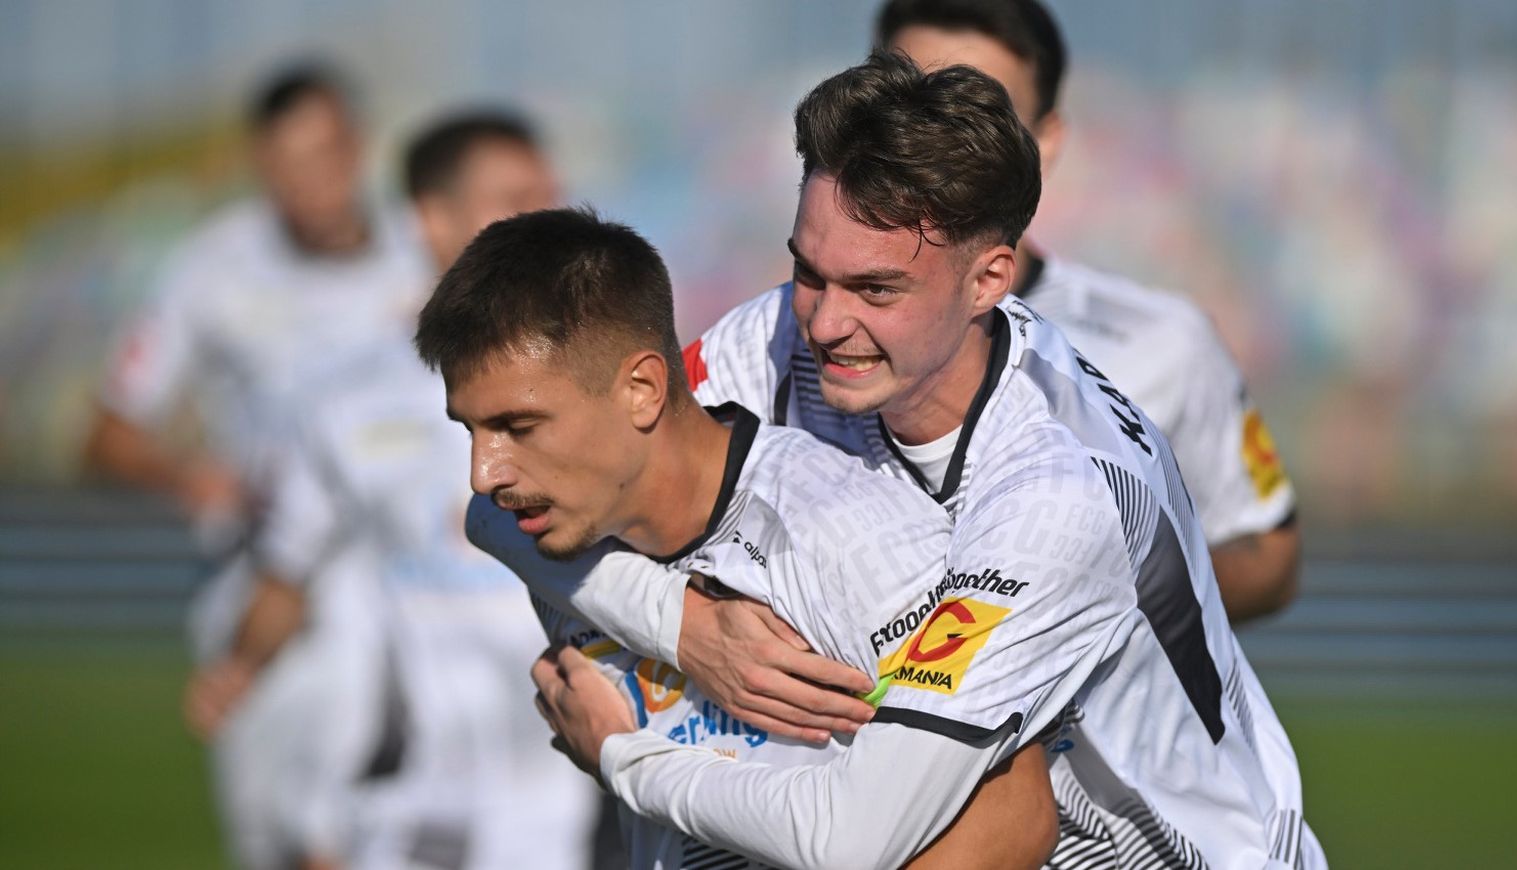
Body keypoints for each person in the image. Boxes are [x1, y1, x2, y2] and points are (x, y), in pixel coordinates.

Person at [463, 54, 1323, 868]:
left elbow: (855, 835)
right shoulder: (773, 336)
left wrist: (622, 755)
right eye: (809, 272)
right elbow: (525, 486)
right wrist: (679, 626)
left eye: (876, 289)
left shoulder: (1056, 499)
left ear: (989, 281)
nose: (825, 322)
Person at [418, 206, 1059, 870]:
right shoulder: (551, 533)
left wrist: (621, 758)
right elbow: (482, 519)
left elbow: (1015, 814)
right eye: (471, 430)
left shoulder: (856, 541)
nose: (485, 473)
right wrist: (679, 627)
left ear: (642, 389)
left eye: (518, 427)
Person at [182, 110, 598, 869]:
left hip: (581, 785)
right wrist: (238, 667)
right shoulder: (348, 400)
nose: (546, 220)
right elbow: (287, 569)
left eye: (551, 197)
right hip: (415, 807)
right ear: (432, 219)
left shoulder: (613, 385)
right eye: (515, 199)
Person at [83, 63, 428, 868]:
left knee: (363, 838)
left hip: (402, 594)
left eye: (325, 154)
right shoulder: (213, 267)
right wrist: (187, 475)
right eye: (287, 161)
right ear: (261, 165)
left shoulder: (423, 258)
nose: (310, 180)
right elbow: (109, 429)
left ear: (357, 148)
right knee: (270, 843)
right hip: (263, 595)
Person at [877, 0, 1301, 623]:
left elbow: (1268, 555)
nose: (933, 147)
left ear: (1045, 143)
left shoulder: (1166, 341)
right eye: (906, 112)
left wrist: (1101, 590)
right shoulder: (796, 332)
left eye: (978, 119)